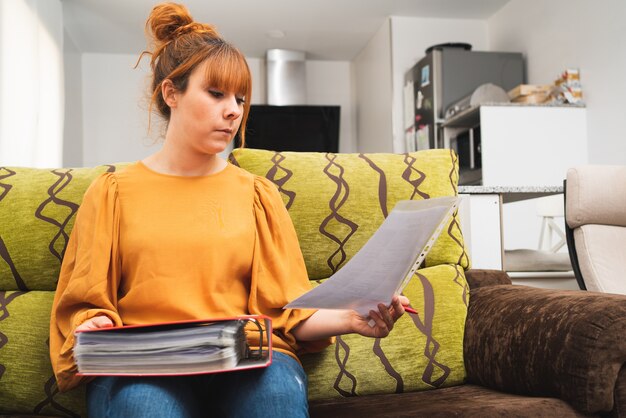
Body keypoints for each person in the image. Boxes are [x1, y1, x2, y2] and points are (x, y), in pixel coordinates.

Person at [49, 3, 409, 417]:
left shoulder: (259, 195)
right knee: (142, 407)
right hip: (146, 366)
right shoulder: (112, 192)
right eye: (216, 93)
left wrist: (353, 319)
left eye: (240, 98)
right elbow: (83, 303)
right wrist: (93, 324)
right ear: (172, 93)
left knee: (276, 400)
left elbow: (288, 311)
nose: (234, 110)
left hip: (249, 361)